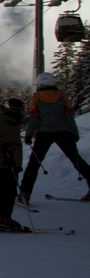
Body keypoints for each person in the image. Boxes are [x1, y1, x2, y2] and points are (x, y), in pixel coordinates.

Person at [18, 72, 90, 205]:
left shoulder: (37, 97)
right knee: (76, 160)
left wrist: (28, 135)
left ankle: (24, 194)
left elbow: (34, 117)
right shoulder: (63, 96)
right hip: (64, 132)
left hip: (44, 134)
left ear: (39, 84)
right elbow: (69, 116)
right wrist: (74, 132)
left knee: (33, 165)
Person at [0, 98, 26, 230]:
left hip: (6, 162)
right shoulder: (8, 124)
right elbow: (0, 144)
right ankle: (2, 216)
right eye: (20, 110)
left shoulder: (9, 123)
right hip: (7, 163)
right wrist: (7, 158)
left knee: (3, 188)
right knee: (10, 190)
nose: (22, 113)